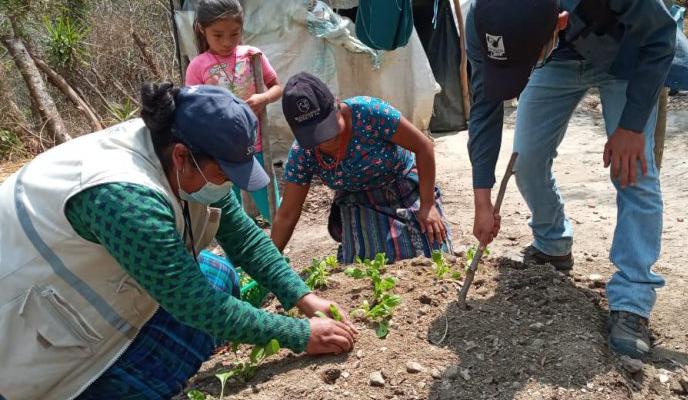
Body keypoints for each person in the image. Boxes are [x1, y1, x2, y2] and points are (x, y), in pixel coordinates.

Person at [0, 83, 357, 400]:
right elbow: (194, 303)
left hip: (92, 277)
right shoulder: (124, 198)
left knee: (218, 275)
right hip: (36, 327)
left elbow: (245, 238)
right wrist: (299, 333)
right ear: (182, 156)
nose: (228, 184)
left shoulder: (182, 146)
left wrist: (303, 297)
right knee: (171, 351)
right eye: (224, 173)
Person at [466, 0, 688, 359]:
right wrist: (482, 200)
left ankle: (632, 300)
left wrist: (631, 127)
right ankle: (553, 244)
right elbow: (484, 101)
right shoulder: (484, 17)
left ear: (559, 23)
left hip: (628, 50)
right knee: (528, 159)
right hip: (554, 59)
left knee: (633, 170)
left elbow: (660, 36)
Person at [270, 72, 452, 264]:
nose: (325, 142)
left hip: (403, 185)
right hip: (358, 200)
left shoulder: (369, 112)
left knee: (433, 251)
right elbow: (287, 215)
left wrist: (427, 206)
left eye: (328, 130)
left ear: (337, 106)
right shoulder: (302, 153)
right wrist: (269, 264)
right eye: (315, 137)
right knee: (373, 261)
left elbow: (424, 147)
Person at [185, 0, 282, 223]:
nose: (227, 42)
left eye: (234, 34)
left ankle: (279, 244)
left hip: (256, 147)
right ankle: (244, 246)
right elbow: (191, 110)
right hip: (220, 155)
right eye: (218, 35)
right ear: (202, 29)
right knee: (233, 215)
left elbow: (277, 87)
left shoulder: (252, 56)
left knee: (272, 207)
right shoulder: (198, 66)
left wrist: (264, 98)